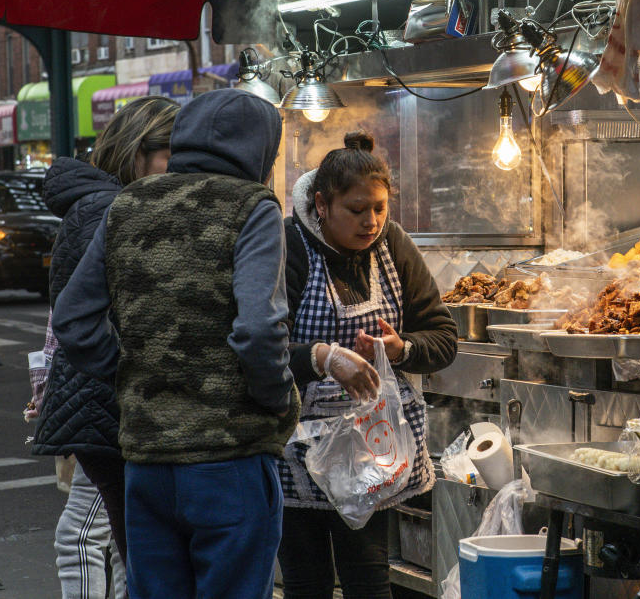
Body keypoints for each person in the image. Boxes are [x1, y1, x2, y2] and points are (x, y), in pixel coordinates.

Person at [51, 88, 298, 599]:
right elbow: (258, 329)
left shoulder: (129, 203)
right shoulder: (252, 207)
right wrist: (279, 401)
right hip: (229, 459)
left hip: (147, 463)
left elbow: (73, 320)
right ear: (262, 151)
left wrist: (130, 370)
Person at [278, 131, 457, 599]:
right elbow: (259, 348)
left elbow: (443, 337)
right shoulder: (288, 246)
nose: (371, 221)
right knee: (306, 583)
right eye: (356, 210)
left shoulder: (392, 245)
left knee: (369, 580)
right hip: (298, 453)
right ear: (321, 203)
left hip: (374, 451)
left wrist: (402, 350)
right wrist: (323, 358)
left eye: (379, 207)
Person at [27, 95, 179, 599]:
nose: (178, 169)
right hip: (110, 410)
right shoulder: (106, 209)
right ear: (138, 153)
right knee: (128, 545)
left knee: (130, 545)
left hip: (103, 406)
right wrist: (137, 371)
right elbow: (79, 320)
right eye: (169, 155)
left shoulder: (104, 204)